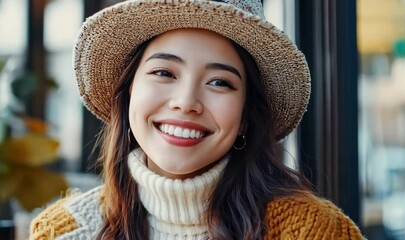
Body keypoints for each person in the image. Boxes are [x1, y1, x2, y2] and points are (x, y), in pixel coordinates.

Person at [30, 0, 364, 239]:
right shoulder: (63, 231)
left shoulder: (314, 231)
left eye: (220, 82)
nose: (187, 103)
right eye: (164, 72)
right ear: (129, 91)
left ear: (247, 116)